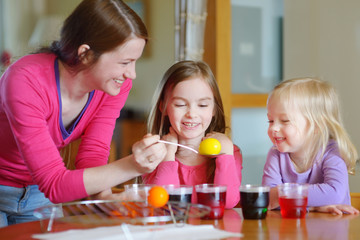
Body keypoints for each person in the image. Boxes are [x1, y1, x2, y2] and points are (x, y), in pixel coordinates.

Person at [0, 0, 166, 227]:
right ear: (85, 53)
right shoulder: (25, 79)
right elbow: (55, 184)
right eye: (125, 62)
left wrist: (105, 198)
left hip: (38, 196)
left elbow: (92, 154)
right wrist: (133, 166)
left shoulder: (113, 87)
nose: (132, 74)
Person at [142, 60, 243, 208]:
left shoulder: (230, 152)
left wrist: (226, 153)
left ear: (214, 108)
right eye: (180, 105)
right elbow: (163, 204)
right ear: (163, 106)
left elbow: (227, 202)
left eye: (202, 105)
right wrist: (168, 156)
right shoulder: (154, 153)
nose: (192, 114)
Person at [262, 78, 359, 215]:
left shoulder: (332, 152)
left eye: (284, 121)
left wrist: (282, 195)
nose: (274, 128)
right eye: (270, 120)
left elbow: (335, 193)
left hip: (331, 229)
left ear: (317, 126)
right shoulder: (275, 154)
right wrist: (314, 207)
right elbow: (267, 199)